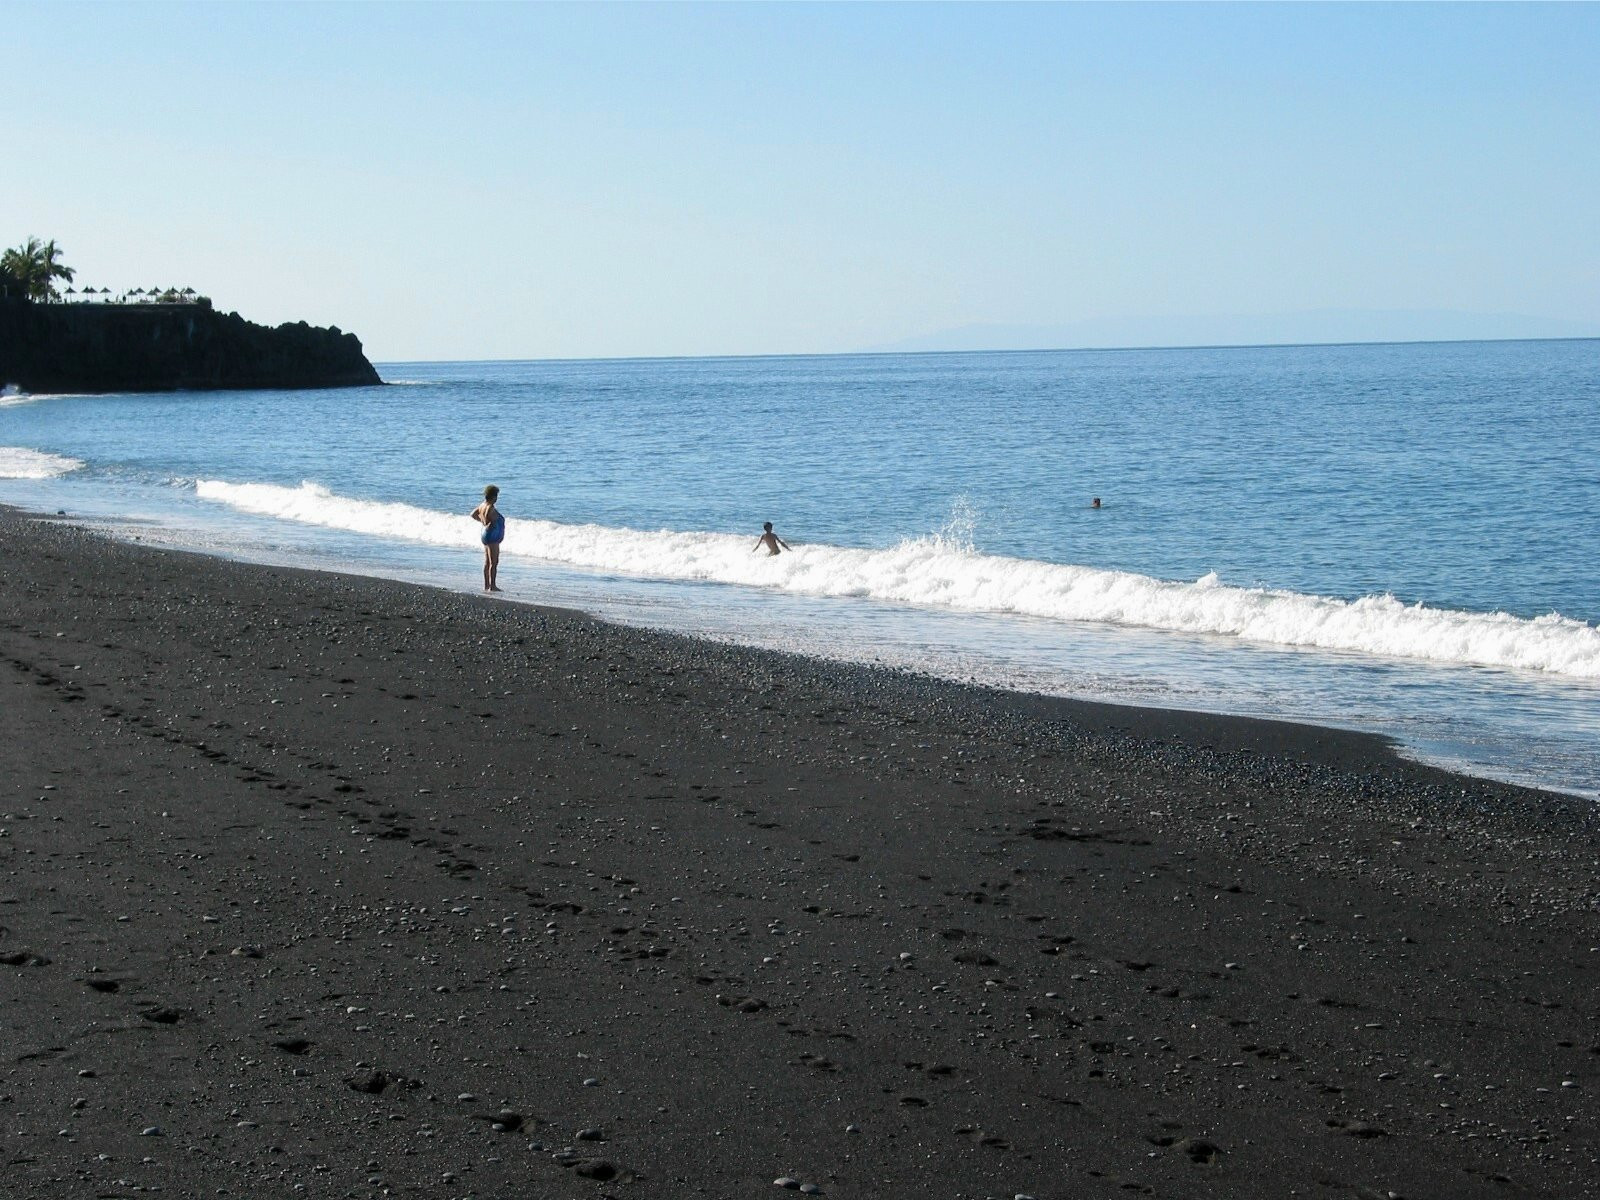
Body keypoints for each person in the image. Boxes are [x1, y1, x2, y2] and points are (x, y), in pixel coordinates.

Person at [470, 485, 505, 592]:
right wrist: (489, 524)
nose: (497, 498)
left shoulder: (482, 505)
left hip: (486, 534)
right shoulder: (490, 507)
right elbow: (491, 520)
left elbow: (473, 514)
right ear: (493, 496)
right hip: (492, 536)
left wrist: (483, 522)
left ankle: (486, 585)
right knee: (494, 562)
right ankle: (492, 586)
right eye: (496, 496)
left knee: (487, 562)